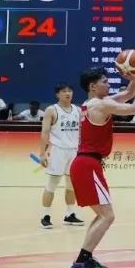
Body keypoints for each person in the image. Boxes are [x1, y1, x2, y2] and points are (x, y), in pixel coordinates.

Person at [66, 63, 135, 268]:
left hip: (86, 163)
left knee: (101, 214)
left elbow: (128, 93)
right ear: (92, 86)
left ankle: (87, 258)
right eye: (104, 81)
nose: (108, 84)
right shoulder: (101, 105)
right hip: (87, 164)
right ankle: (80, 263)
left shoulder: (93, 103)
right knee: (107, 216)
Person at [38, 83, 85, 229]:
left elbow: (81, 132)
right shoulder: (51, 110)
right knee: (52, 184)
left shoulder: (78, 110)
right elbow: (45, 133)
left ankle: (70, 214)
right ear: (57, 94)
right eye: (64, 91)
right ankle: (45, 216)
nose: (68, 93)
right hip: (58, 151)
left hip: (74, 151)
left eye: (70, 91)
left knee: (72, 184)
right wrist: (42, 154)